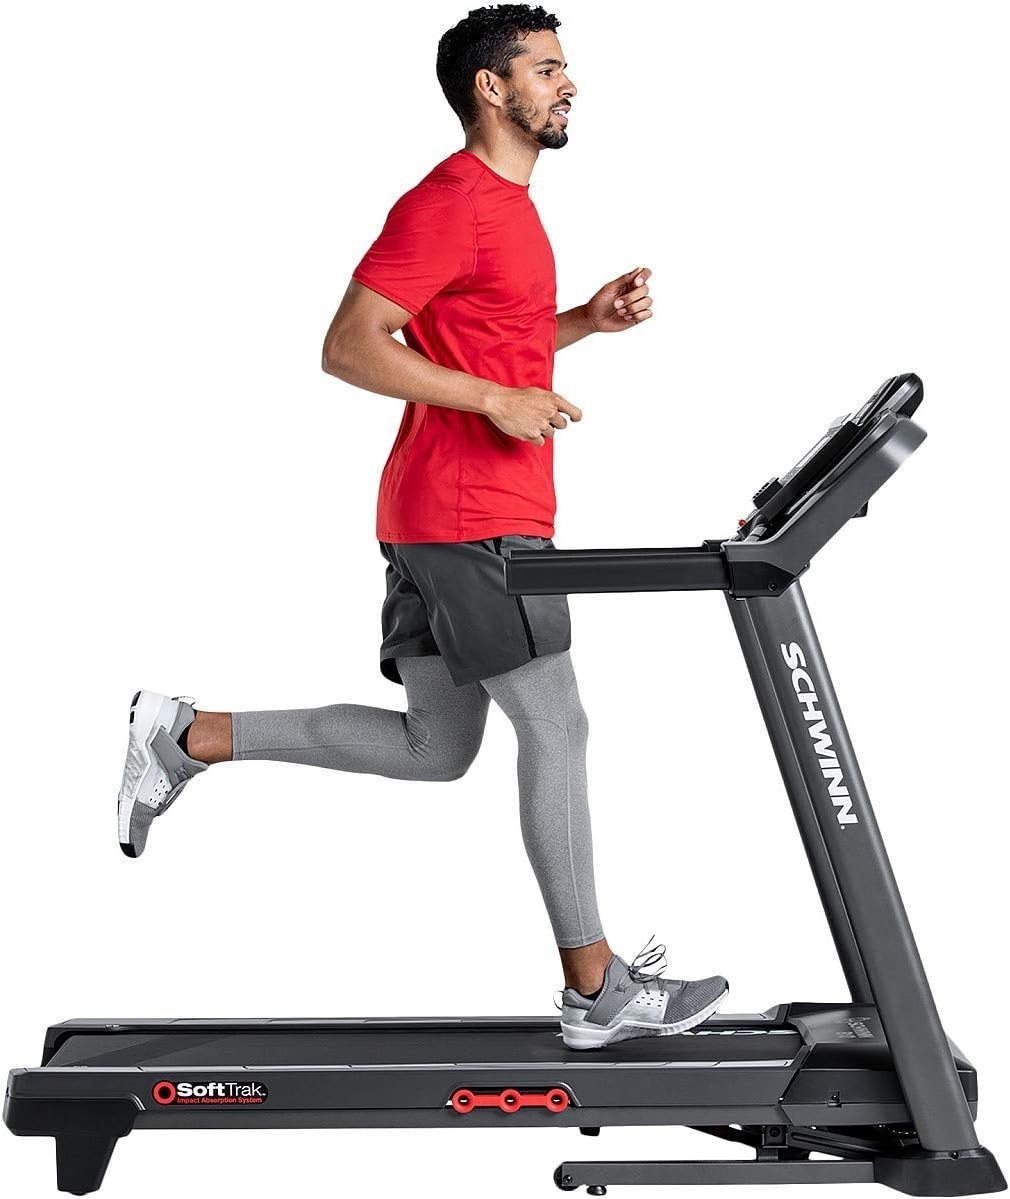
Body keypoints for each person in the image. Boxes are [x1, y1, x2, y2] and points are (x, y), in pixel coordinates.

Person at [117, 3, 727, 1050]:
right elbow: (350, 345)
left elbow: (485, 342)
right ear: (492, 87)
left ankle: (189, 734)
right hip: (471, 514)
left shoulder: (508, 209)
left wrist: (581, 323)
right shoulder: (452, 201)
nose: (568, 85)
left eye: (564, 68)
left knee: (436, 746)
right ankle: (597, 989)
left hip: (440, 513)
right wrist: (492, 401)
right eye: (546, 69)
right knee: (558, 728)